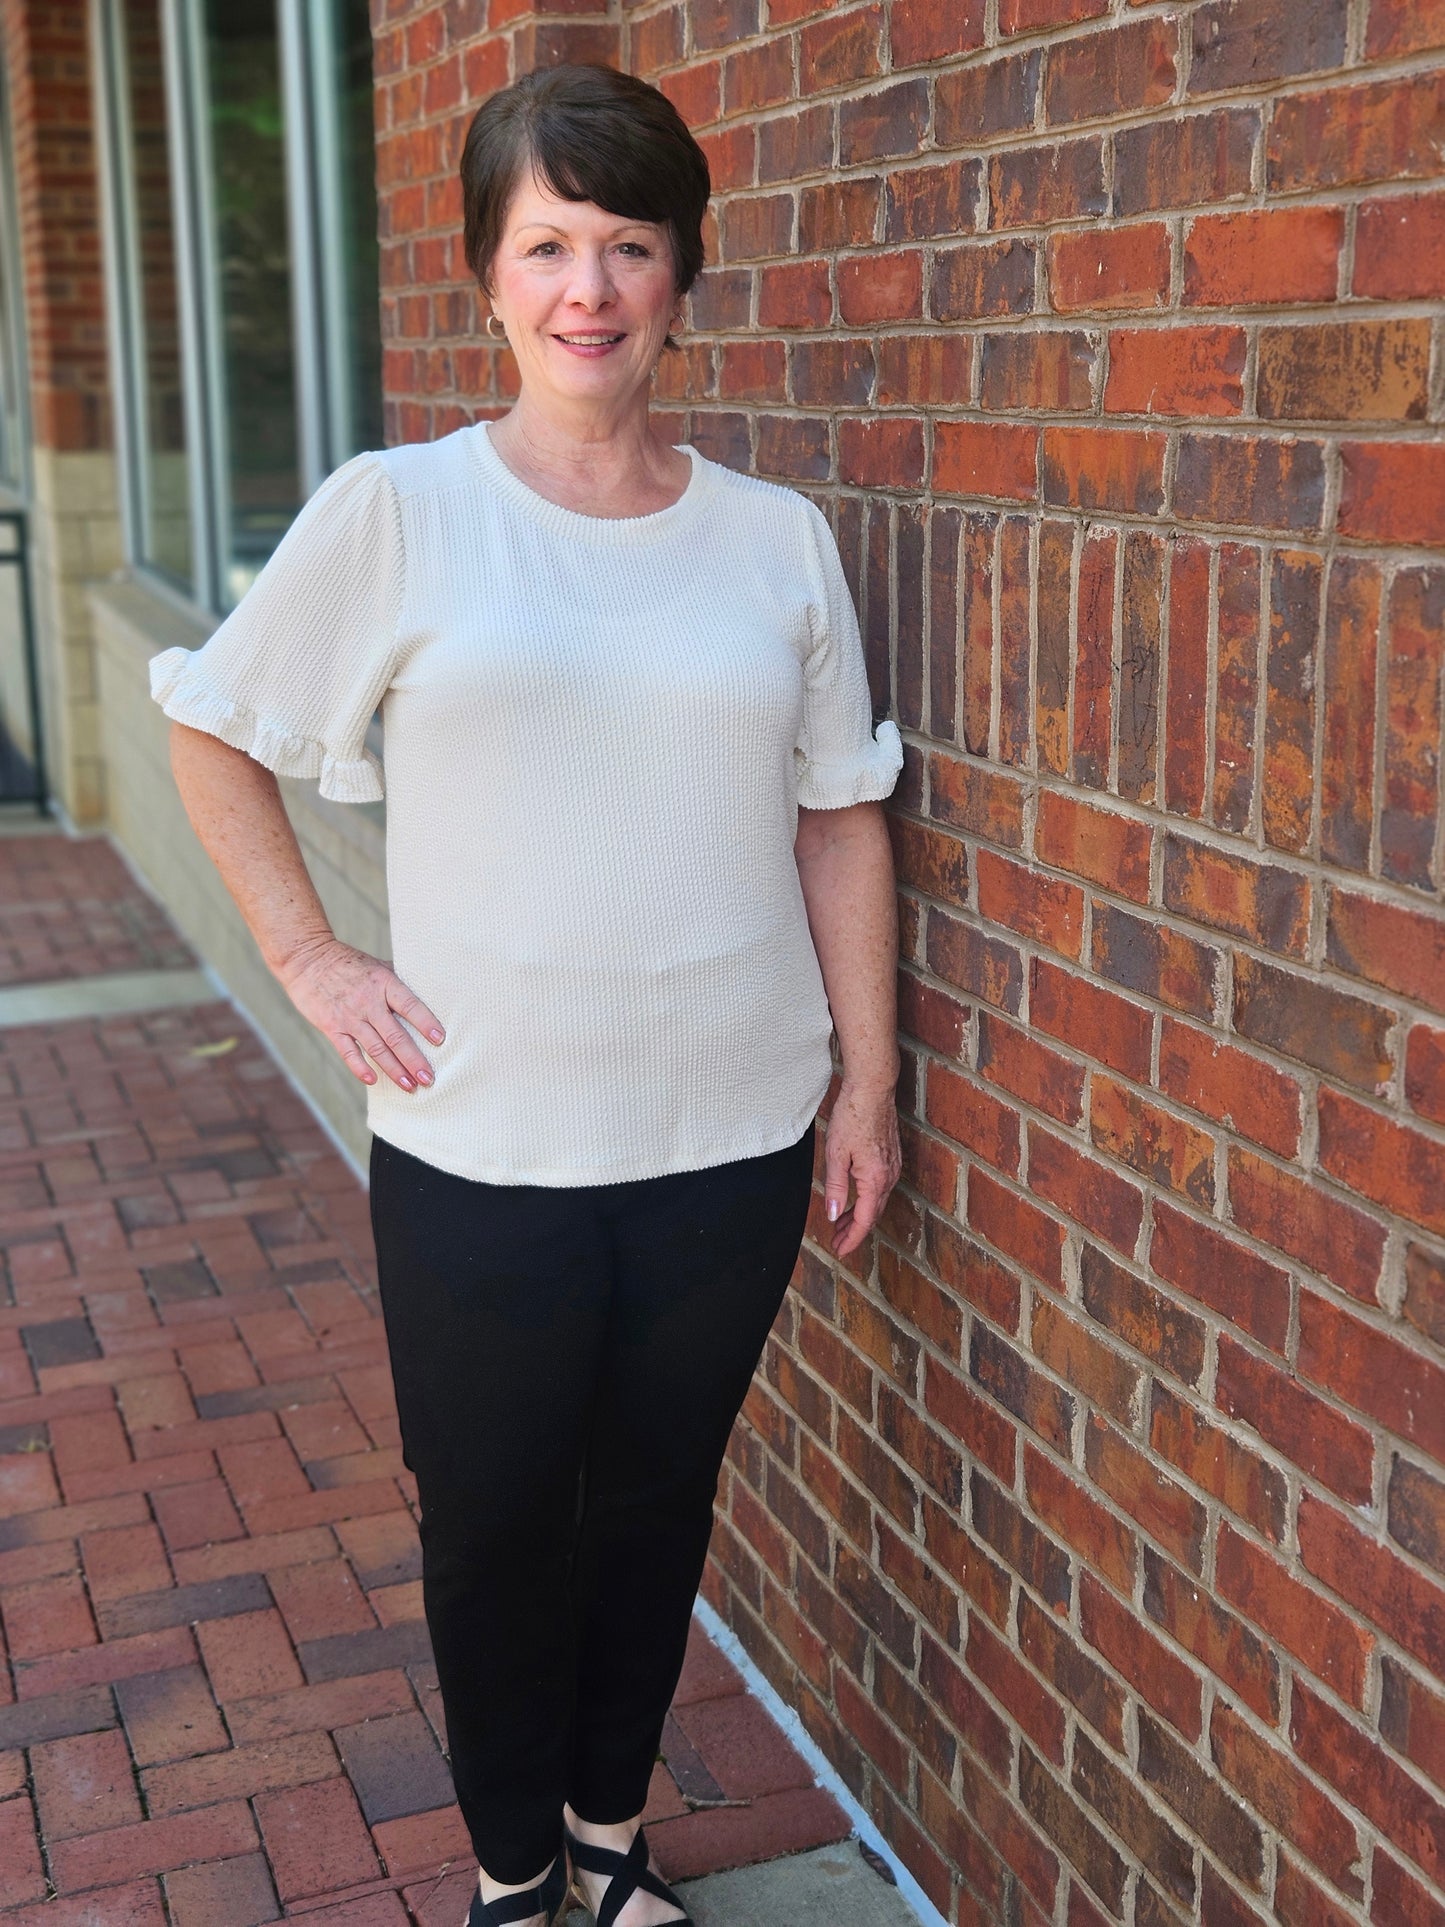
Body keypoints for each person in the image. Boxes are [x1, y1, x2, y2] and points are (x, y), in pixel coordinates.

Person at [149, 60, 903, 1927]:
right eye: (549, 243)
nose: (589, 288)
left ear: (682, 276)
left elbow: (837, 825)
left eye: (628, 245)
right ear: (486, 274)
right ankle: (508, 1871)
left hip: (729, 1138)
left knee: (654, 1515)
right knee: (493, 1529)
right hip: (483, 1140)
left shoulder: (772, 539)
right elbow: (213, 727)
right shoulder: (399, 511)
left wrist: (865, 1086)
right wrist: (312, 960)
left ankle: (606, 1841)